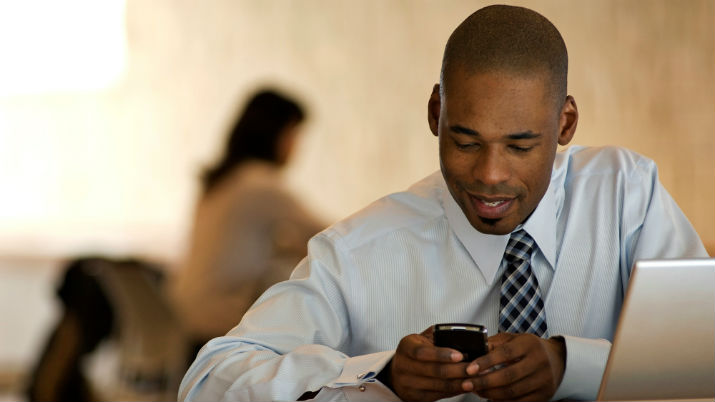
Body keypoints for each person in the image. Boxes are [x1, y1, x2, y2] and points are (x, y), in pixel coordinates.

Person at [177, 6, 708, 402]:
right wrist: (380, 377)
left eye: (521, 146)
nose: (491, 176)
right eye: (465, 141)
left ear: (565, 124)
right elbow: (208, 380)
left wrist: (571, 364)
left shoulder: (626, 196)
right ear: (435, 112)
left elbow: (700, 358)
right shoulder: (360, 249)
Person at [168, 89, 325, 352]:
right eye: (293, 134)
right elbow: (332, 234)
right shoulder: (260, 183)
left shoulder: (222, 181)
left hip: (182, 318)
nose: (296, 146)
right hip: (218, 325)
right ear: (274, 133)